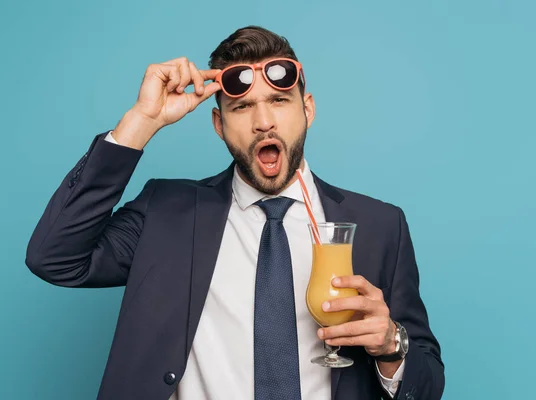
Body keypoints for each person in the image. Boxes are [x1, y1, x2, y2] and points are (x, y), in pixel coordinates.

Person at [26, 25, 444, 400]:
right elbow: (55, 258)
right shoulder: (167, 212)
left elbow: (427, 383)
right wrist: (141, 122)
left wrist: (392, 346)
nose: (264, 122)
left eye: (279, 101)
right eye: (242, 108)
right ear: (218, 124)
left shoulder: (380, 225)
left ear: (308, 110)